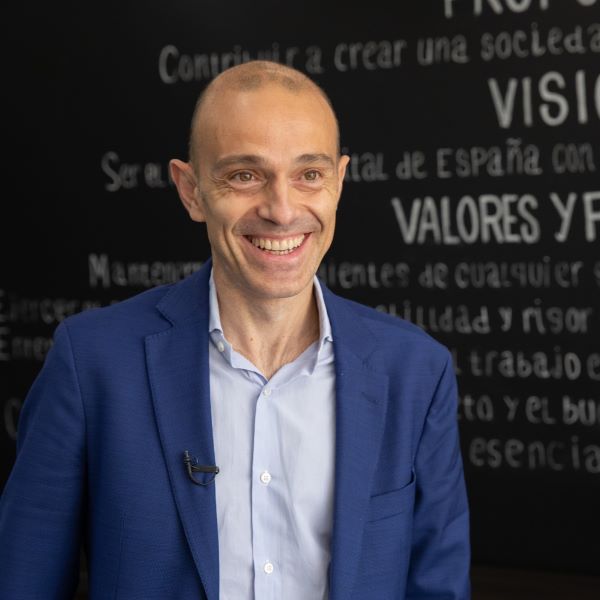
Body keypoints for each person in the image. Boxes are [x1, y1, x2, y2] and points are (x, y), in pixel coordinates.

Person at [0, 60, 470, 599]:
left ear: (339, 183)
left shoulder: (417, 372)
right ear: (191, 190)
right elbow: (24, 581)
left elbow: (439, 588)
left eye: (309, 175)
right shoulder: (91, 363)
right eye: (245, 175)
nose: (282, 210)